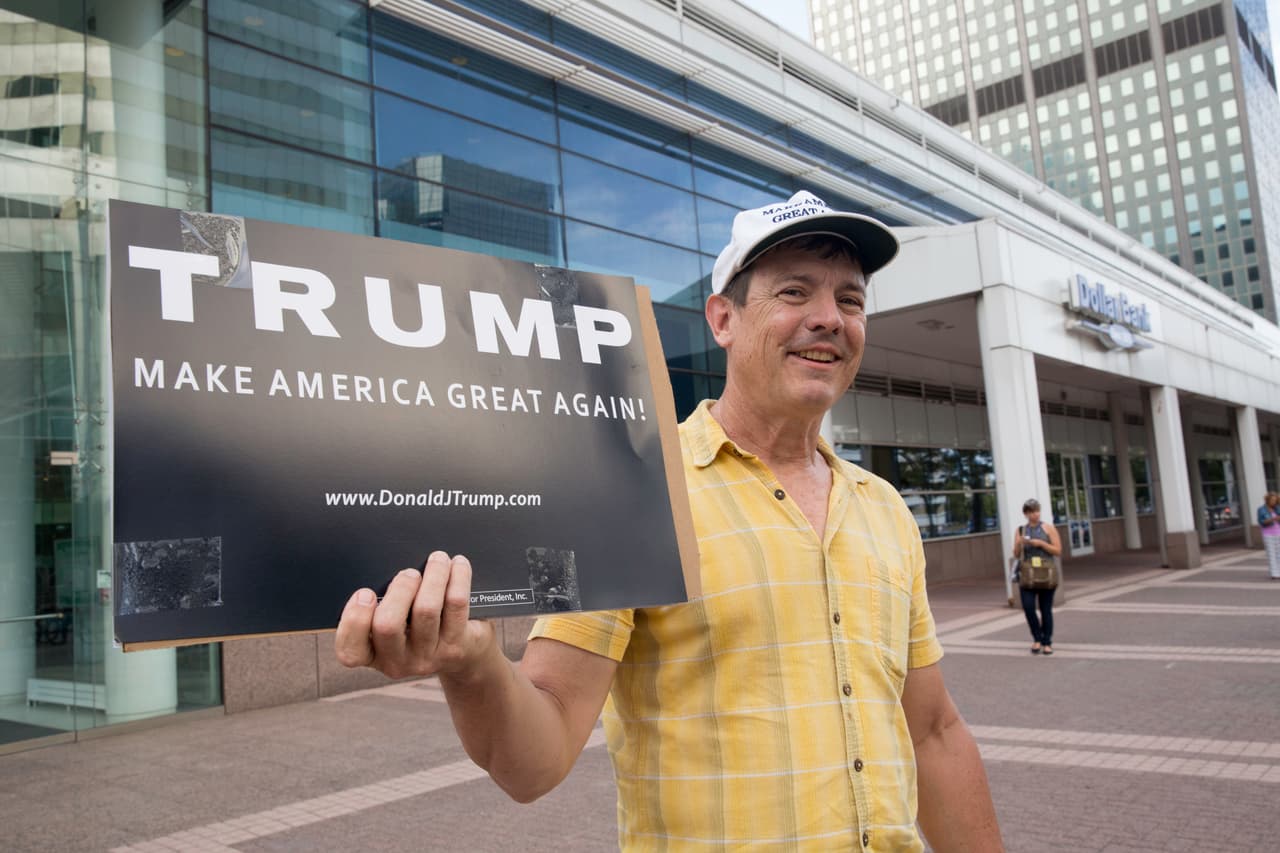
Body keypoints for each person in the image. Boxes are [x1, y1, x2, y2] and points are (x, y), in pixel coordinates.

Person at [334, 190, 1004, 852]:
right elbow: (534, 757)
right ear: (723, 318)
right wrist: (474, 664)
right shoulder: (635, 490)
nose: (829, 317)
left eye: (850, 299)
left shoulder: (884, 508)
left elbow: (934, 732)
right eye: (795, 293)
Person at [1011, 498, 1062, 655]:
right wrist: (1020, 544)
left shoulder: (1048, 528)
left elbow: (1058, 550)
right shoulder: (1021, 530)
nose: (1035, 514)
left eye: (1037, 511)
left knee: (1046, 608)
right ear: (1026, 514)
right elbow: (1016, 554)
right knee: (1028, 607)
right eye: (1032, 512)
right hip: (1028, 573)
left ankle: (1047, 642)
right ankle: (1037, 637)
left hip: (1046, 572)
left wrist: (1041, 544)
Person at [1258, 492, 1280, 580]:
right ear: (1267, 500)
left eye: (1275, 500)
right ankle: (1274, 573)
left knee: (1279, 554)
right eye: (1272, 500)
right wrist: (1273, 519)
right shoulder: (1261, 509)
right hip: (1268, 534)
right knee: (1271, 554)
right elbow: (1262, 522)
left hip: (1278, 533)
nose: (1273, 502)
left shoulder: (1277, 508)